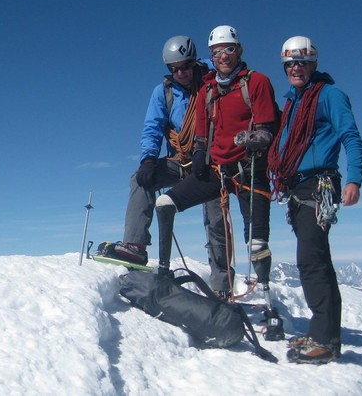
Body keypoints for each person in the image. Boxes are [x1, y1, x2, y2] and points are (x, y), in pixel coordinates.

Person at [154, 25, 279, 300]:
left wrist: (253, 138)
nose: (224, 56)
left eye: (229, 49)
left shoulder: (256, 82)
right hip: (217, 171)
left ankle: (269, 306)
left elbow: (269, 127)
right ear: (212, 55)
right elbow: (201, 128)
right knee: (165, 204)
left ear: (239, 50)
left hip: (250, 170)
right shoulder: (208, 89)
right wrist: (199, 152)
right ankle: (163, 274)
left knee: (257, 243)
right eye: (218, 51)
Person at [268, 36, 362, 364]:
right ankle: (324, 335)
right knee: (317, 260)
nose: (296, 68)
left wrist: (354, 180)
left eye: (302, 62)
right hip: (299, 187)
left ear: (313, 64)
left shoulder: (329, 95)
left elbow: (350, 136)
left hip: (318, 185)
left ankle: (324, 341)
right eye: (290, 63)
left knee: (311, 261)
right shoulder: (294, 101)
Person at [112, 36, 224, 281]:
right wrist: (148, 160)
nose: (181, 72)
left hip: (210, 162)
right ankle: (135, 246)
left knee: (216, 217)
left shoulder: (211, 82)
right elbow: (153, 126)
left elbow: (226, 67)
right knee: (140, 180)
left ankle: (221, 283)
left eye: (185, 66)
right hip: (180, 159)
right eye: (174, 69)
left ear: (194, 63)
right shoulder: (163, 92)